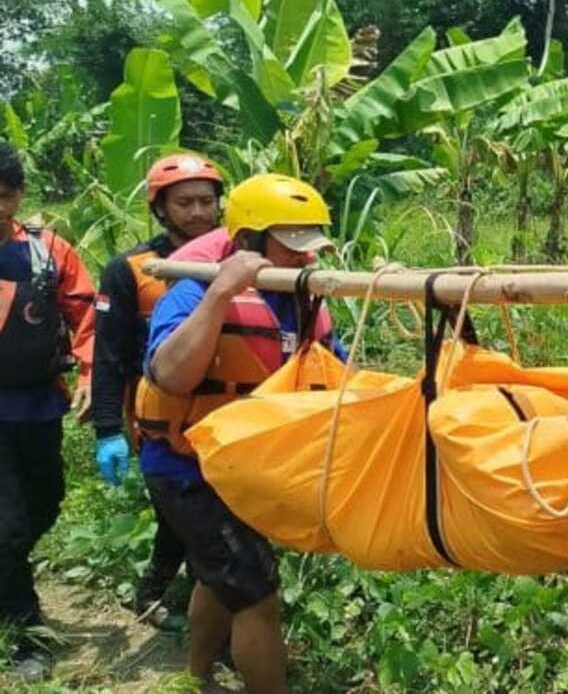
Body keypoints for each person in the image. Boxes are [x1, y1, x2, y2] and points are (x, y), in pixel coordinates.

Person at [133, 173, 345, 693]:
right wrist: (223, 290)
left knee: (217, 576)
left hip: (248, 467)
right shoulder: (191, 294)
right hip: (188, 470)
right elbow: (172, 375)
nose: (305, 259)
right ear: (247, 243)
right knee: (256, 595)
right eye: (291, 247)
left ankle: (195, 677)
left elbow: (342, 379)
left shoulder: (304, 302)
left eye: (310, 247)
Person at [91, 154, 225, 631]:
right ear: (160, 208)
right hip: (157, 416)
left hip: (224, 412)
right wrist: (109, 428)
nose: (197, 213)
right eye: (184, 203)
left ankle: (168, 593)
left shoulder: (239, 264)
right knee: (182, 508)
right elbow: (108, 354)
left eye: (206, 202)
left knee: (198, 511)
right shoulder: (130, 270)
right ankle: (180, 599)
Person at [0, 140, 96, 680]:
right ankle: (26, 633)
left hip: (37, 403)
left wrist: (89, 371)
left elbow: (86, 316)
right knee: (8, 525)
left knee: (47, 502)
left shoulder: (47, 251)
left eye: (4, 196)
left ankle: (5, 570)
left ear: (17, 195)